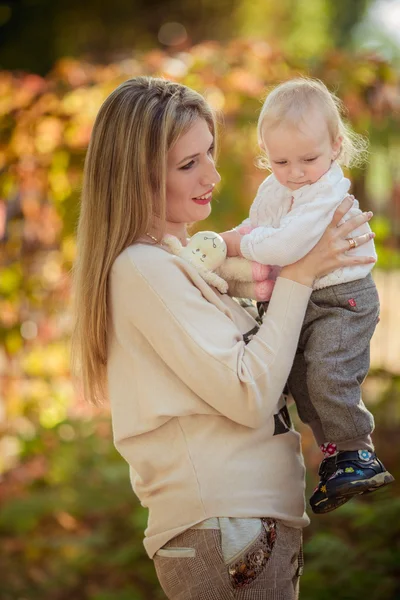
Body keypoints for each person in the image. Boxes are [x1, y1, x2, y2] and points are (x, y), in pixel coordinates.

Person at [71, 76, 377, 599]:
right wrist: (301, 273)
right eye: (188, 164)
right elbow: (249, 394)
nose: (211, 174)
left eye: (209, 153)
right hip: (224, 526)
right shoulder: (143, 269)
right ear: (137, 176)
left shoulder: (178, 265)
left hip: (245, 524)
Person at [220, 78, 394, 515]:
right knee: (299, 378)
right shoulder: (275, 188)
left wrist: (233, 245)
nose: (295, 172)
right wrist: (224, 242)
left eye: (308, 159)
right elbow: (256, 224)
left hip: (343, 299)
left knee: (327, 372)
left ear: (335, 147)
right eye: (280, 161)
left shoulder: (326, 190)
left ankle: (359, 451)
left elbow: (283, 245)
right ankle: (336, 458)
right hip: (307, 296)